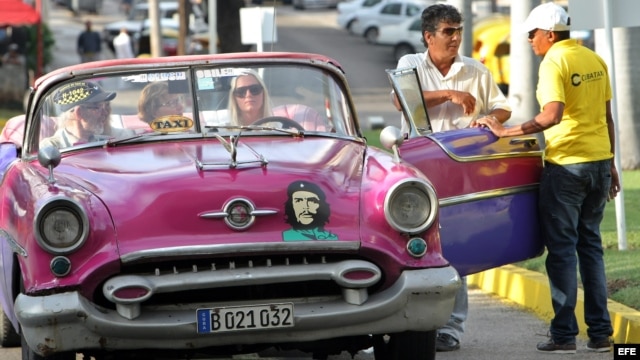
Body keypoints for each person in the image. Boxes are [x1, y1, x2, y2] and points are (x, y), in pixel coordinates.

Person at [477, 3, 619, 354]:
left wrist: (506, 130)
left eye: (532, 33)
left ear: (550, 34)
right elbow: (607, 117)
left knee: (562, 252)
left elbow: (551, 115)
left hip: (568, 167)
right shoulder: (593, 58)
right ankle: (601, 335)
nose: (528, 40)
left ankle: (564, 335)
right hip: (599, 163)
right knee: (591, 249)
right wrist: (612, 164)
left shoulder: (555, 61)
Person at [391, 3, 512, 352]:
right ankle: (407, 325)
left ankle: (451, 329)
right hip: (416, 172)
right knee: (412, 247)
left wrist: (489, 120)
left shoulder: (475, 69)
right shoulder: (409, 65)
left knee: (454, 245)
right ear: (428, 36)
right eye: (448, 31)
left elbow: (501, 106)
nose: (456, 38)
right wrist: (449, 94)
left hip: (460, 171)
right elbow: (403, 101)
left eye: (458, 30)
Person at [42, 81, 131, 149]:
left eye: (106, 106)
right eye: (98, 107)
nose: (105, 112)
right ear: (79, 112)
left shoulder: (109, 139)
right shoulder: (52, 147)